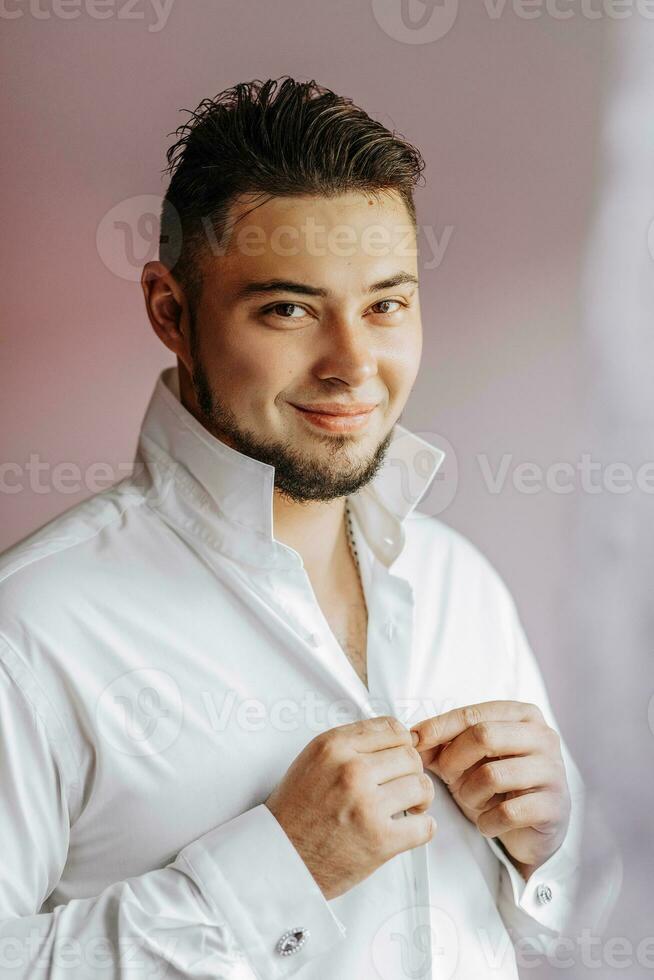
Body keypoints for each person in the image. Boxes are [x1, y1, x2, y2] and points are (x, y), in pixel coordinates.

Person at [0, 77, 619, 979]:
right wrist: (276, 872)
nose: (353, 365)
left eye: (385, 304)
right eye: (288, 309)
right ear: (170, 311)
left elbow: (564, 932)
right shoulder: (31, 632)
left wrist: (551, 848)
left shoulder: (462, 585)